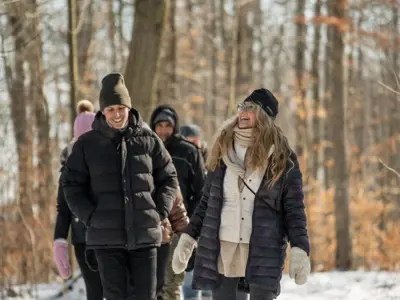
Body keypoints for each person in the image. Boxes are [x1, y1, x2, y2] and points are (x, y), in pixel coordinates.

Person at [172, 88, 311, 300]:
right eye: (241, 107)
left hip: (263, 248)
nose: (243, 112)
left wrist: (300, 248)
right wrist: (189, 238)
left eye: (250, 108)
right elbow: (207, 202)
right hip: (223, 246)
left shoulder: (282, 157)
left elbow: (294, 209)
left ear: (264, 116)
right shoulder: (223, 149)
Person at [62, 73, 178, 300]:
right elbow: (71, 184)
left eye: (121, 108)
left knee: (146, 296)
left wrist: (159, 212)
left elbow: (169, 177)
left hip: (145, 235)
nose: (116, 114)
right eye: (111, 109)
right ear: (103, 111)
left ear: (129, 107)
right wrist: (90, 217)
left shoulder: (149, 139)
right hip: (106, 239)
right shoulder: (87, 144)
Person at [149, 105, 206, 300]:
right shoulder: (145, 149)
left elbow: (201, 191)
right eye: (160, 125)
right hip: (149, 227)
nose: (164, 130)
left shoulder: (188, 152)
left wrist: (191, 224)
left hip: (179, 227)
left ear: (175, 127)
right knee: (151, 286)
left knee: (171, 284)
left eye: (168, 126)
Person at [53, 100, 103, 300]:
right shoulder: (69, 167)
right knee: (96, 290)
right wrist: (60, 241)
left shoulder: (108, 160)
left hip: (111, 235)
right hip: (83, 237)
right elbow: (63, 208)